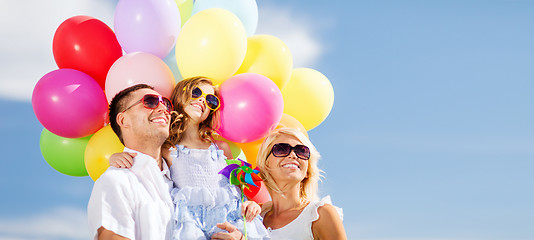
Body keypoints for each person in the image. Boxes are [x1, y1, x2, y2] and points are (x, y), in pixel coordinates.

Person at [110, 77, 269, 240]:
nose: (202, 100)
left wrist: (251, 204)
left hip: (229, 218)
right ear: (180, 95)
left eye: (211, 100)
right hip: (192, 223)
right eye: (196, 92)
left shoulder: (220, 147)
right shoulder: (166, 147)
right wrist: (116, 157)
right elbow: (143, 160)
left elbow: (236, 187)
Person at [211, 128, 346, 240]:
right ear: (265, 164)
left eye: (301, 151)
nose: (293, 155)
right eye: (281, 149)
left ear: (307, 171)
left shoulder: (319, 214)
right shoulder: (253, 215)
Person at [87, 84, 175, 239]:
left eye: (166, 103)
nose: (163, 108)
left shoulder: (183, 176)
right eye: (150, 101)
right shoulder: (116, 181)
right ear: (123, 119)